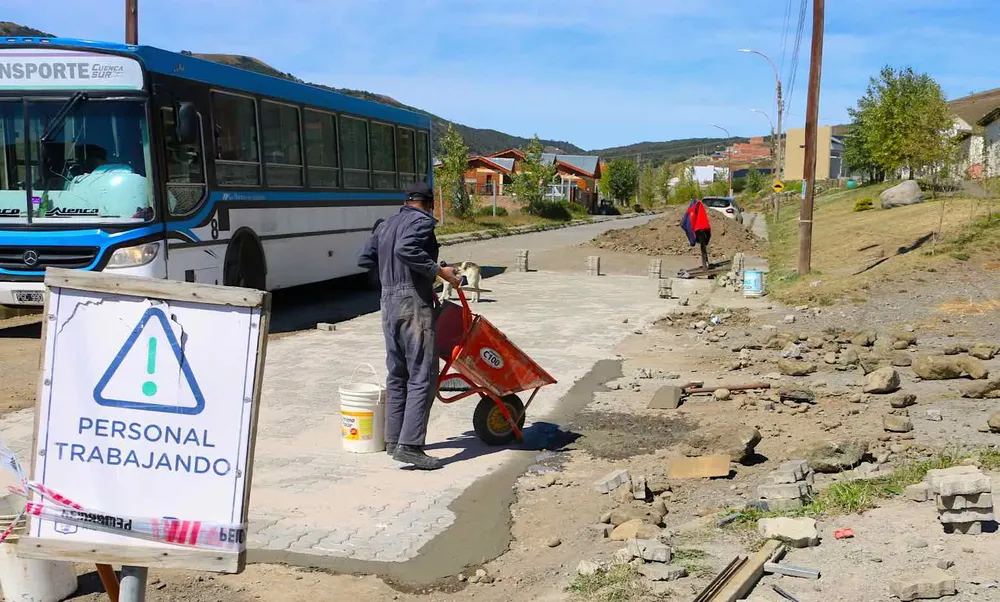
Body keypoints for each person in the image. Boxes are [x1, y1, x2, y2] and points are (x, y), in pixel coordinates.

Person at [357, 182, 461, 470]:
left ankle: (393, 440)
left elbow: (365, 258)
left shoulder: (386, 224)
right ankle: (411, 446)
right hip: (412, 302)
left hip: (388, 301)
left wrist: (390, 268)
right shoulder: (421, 221)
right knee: (422, 375)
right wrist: (439, 271)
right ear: (429, 204)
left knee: (397, 373)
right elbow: (406, 248)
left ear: (407, 201)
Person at [680, 197, 712, 270]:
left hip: (700, 229)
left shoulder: (695, 208)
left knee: (703, 247)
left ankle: (705, 265)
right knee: (703, 247)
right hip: (701, 229)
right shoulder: (696, 208)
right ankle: (705, 265)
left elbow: (685, 222)